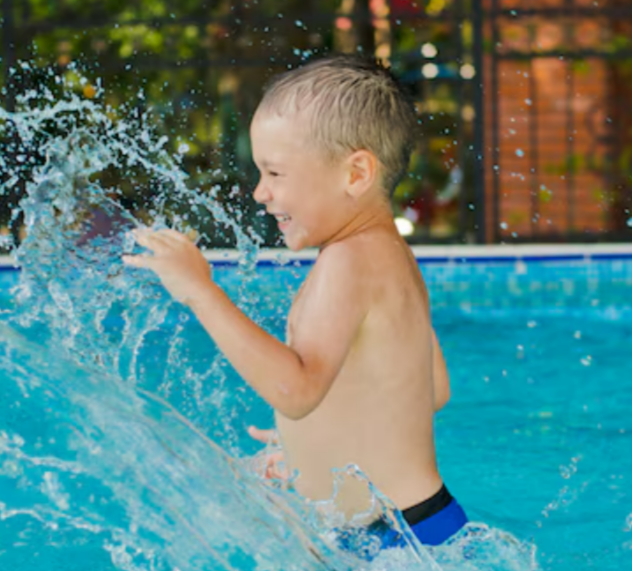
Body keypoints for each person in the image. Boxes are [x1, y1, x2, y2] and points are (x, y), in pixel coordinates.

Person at [121, 55, 467, 548]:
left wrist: (201, 290)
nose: (261, 192)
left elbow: (295, 391)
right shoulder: (392, 257)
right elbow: (430, 389)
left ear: (356, 174)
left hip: (392, 544)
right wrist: (315, 449)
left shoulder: (347, 262)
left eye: (276, 173)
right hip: (421, 527)